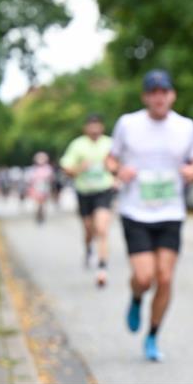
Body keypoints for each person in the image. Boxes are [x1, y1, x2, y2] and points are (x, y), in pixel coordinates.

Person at [106, 69, 193, 362]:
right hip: (135, 210)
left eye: (164, 92)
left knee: (165, 277)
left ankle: (152, 335)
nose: (159, 97)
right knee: (144, 276)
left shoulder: (186, 127)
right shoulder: (129, 124)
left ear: (172, 95)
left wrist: (192, 171)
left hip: (171, 211)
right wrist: (118, 170)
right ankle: (136, 297)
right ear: (145, 97)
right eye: (153, 92)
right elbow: (111, 158)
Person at [60, 114, 116, 287]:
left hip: (104, 191)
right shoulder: (78, 145)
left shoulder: (110, 143)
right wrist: (79, 168)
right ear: (86, 128)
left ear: (102, 127)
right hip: (84, 192)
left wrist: (114, 169)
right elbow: (66, 168)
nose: (94, 130)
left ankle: (102, 268)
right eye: (91, 127)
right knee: (88, 229)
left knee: (102, 228)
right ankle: (88, 249)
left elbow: (119, 164)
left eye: (97, 126)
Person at [26, 152, 54, 225]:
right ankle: (38, 215)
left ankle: (42, 215)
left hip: (45, 187)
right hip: (36, 187)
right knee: (37, 203)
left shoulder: (48, 168)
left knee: (43, 203)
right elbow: (30, 179)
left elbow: (51, 179)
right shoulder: (34, 169)